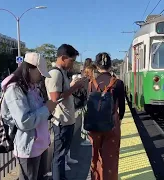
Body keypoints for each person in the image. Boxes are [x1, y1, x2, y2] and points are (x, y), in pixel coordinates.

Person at [0, 52, 58, 180]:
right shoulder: (15, 89)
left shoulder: (32, 87)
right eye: (39, 73)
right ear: (29, 69)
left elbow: (39, 111)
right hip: (29, 147)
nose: (41, 77)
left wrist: (48, 108)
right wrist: (46, 108)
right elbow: (24, 121)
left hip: (40, 145)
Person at [45, 44, 84, 180]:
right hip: (61, 121)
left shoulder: (62, 73)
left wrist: (73, 86)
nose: (72, 64)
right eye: (71, 61)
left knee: (62, 155)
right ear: (63, 58)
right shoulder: (55, 73)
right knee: (59, 156)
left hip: (67, 120)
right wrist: (75, 88)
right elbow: (56, 98)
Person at [87, 52, 125, 180]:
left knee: (95, 158)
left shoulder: (91, 83)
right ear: (110, 66)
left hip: (94, 126)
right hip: (112, 125)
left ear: (97, 67)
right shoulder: (118, 83)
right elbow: (122, 108)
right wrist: (117, 120)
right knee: (111, 159)